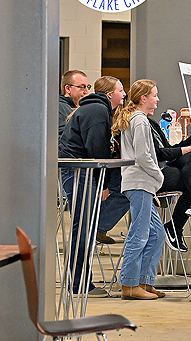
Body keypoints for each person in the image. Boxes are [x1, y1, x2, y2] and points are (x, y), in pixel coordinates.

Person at [58, 75, 130, 297]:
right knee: (82, 227)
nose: (124, 94)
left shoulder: (98, 110)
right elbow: (97, 150)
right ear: (109, 94)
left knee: (85, 226)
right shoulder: (98, 111)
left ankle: (81, 279)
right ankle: (79, 283)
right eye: (121, 90)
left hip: (80, 170)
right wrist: (103, 183)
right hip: (79, 170)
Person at [113, 79, 166, 300]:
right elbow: (143, 156)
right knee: (139, 234)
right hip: (139, 183)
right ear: (143, 98)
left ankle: (144, 281)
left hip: (142, 184)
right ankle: (129, 284)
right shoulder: (140, 121)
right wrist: (159, 177)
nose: (157, 99)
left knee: (157, 233)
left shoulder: (135, 118)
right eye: (154, 95)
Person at [147, 116, 191, 252]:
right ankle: (175, 227)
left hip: (162, 167)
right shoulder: (139, 122)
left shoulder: (151, 123)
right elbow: (160, 154)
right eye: (154, 99)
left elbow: (168, 149)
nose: (156, 103)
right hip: (150, 174)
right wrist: (189, 148)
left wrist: (190, 140)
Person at [59, 69, 90, 138]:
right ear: (68, 89)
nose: (87, 92)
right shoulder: (59, 109)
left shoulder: (81, 108)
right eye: (82, 87)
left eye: (88, 87)